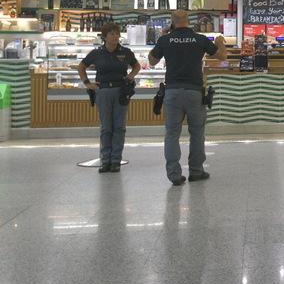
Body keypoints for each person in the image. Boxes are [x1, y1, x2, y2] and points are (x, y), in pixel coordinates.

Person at [148, 10, 226, 185]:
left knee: (172, 134)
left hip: (173, 92)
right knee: (197, 133)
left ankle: (174, 175)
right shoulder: (199, 39)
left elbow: (152, 61)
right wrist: (221, 43)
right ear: (188, 21)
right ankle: (196, 171)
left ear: (172, 22)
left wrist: (162, 38)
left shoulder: (165, 40)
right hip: (194, 92)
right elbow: (222, 57)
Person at [78, 22, 140, 173]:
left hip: (121, 92)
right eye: (112, 34)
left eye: (117, 34)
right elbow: (81, 66)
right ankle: (105, 160)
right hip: (103, 91)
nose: (115, 37)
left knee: (119, 127)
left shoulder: (126, 52)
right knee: (106, 128)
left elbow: (136, 66)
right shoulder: (96, 53)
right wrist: (87, 83)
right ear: (104, 37)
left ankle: (116, 161)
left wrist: (131, 76)